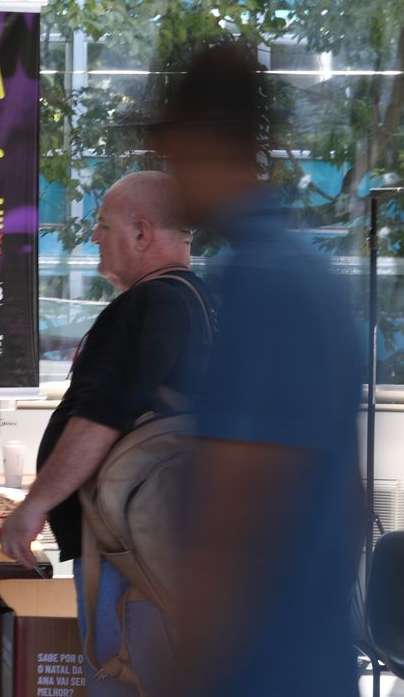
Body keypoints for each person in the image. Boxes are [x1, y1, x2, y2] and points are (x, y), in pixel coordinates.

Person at [148, 43, 362, 697]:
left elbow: (230, 526)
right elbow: (350, 505)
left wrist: (185, 680)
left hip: (261, 672)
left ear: (198, 143)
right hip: (316, 659)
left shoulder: (260, 283)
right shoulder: (311, 276)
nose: (169, 177)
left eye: (170, 157)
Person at [1, 171, 214, 696]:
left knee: (129, 681)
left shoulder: (150, 303)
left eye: (102, 225)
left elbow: (102, 416)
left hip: (133, 553)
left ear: (142, 233)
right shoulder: (199, 300)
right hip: (166, 542)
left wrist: (34, 506)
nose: (93, 237)